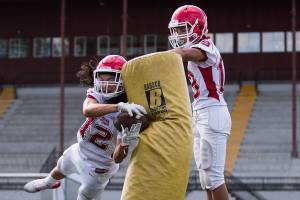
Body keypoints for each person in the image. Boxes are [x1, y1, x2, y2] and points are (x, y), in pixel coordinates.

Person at [24, 55, 147, 200]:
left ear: (123, 80)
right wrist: (117, 107)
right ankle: (48, 182)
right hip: (80, 148)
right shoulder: (100, 97)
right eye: (102, 79)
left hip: (99, 168)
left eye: (111, 80)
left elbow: (117, 159)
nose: (105, 84)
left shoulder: (128, 115)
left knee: (84, 195)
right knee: (61, 166)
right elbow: (87, 110)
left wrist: (125, 143)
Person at [168, 5, 232, 200]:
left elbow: (185, 54)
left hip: (212, 111)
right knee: (205, 178)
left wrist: (159, 58)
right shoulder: (195, 47)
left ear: (197, 27)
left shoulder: (205, 46)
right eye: (176, 29)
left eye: (182, 28)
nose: (178, 34)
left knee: (214, 177)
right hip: (201, 112)